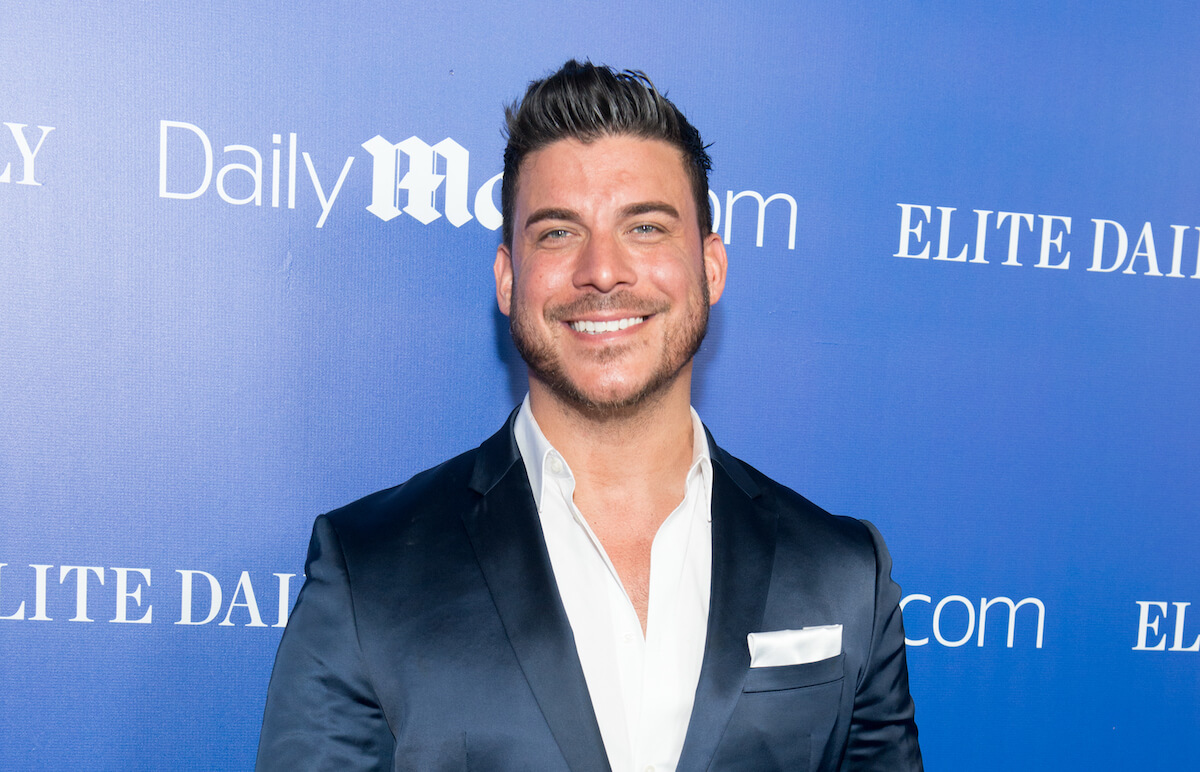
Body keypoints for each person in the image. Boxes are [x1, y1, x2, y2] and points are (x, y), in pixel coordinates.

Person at [256, 60, 922, 772]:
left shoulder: (841, 571)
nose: (602, 271)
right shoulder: (370, 570)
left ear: (712, 266)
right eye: (557, 233)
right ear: (509, 280)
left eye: (645, 227)